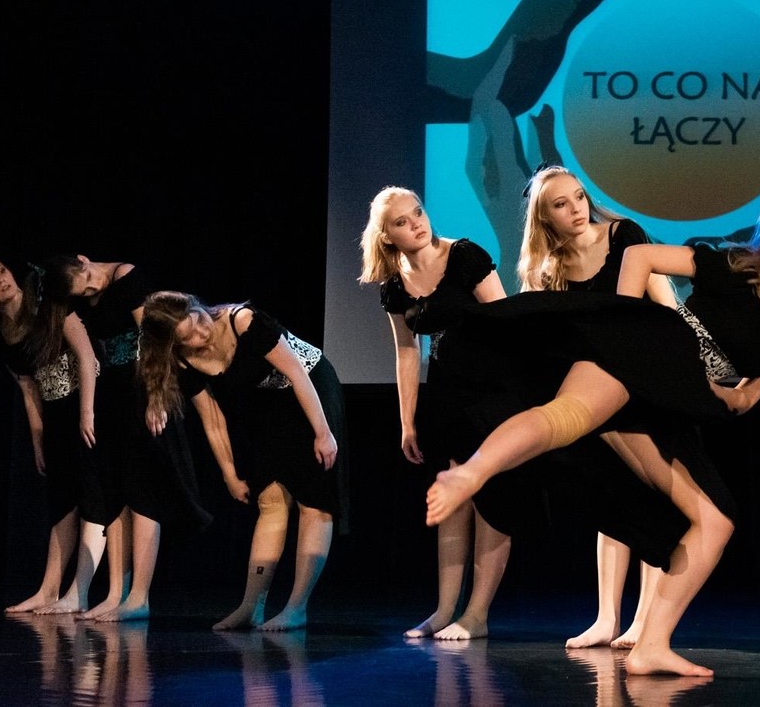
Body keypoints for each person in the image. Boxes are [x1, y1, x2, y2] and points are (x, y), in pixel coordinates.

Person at [425, 187, 760, 677]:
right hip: (650, 352)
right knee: (567, 416)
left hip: (670, 405)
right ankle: (472, 472)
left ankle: (651, 645)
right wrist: (621, 330)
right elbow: (640, 256)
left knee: (715, 521)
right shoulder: (734, 267)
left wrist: (727, 395)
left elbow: (750, 395)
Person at [515, 165, 679, 650]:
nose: (576, 208)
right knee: (616, 500)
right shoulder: (549, 269)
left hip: (645, 383)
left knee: (653, 500)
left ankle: (645, 620)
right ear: (544, 218)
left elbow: (664, 306)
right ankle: (607, 617)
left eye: (579, 196)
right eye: (561, 204)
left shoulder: (625, 235)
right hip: (595, 396)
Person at [138, 291, 347, 631]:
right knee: (270, 499)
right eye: (187, 337)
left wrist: (323, 433)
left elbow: (297, 373)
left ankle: (297, 608)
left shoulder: (244, 321)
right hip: (267, 404)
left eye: (198, 321)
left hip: (312, 389)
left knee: (313, 500)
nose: (201, 334)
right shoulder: (183, 361)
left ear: (197, 307)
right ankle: (252, 606)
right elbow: (212, 420)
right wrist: (229, 474)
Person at [359, 186, 512, 640]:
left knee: (490, 498)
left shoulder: (464, 256)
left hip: (492, 391)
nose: (416, 224)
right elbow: (407, 353)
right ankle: (445, 610)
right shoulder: (394, 287)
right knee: (451, 499)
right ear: (387, 237)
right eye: (402, 222)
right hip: (446, 394)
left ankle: (477, 614)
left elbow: (507, 321)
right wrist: (407, 421)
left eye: (418, 213)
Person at [37, 254, 210, 621]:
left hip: (142, 387)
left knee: (144, 494)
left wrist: (156, 398)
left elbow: (153, 341)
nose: (90, 289)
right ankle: (116, 593)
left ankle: (140, 597)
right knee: (117, 494)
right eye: (82, 292)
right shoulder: (80, 300)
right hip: (112, 394)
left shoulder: (127, 277)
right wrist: (89, 410)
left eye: (88, 280)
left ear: (84, 260)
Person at [0, 256, 105, 615]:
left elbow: (85, 354)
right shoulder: (1, 332)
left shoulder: (45, 302)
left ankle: (79, 591)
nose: (1, 280)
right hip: (56, 413)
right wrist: (38, 437)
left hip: (86, 402)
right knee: (62, 502)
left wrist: (87, 413)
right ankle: (48, 590)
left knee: (94, 496)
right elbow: (27, 386)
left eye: (1, 271)